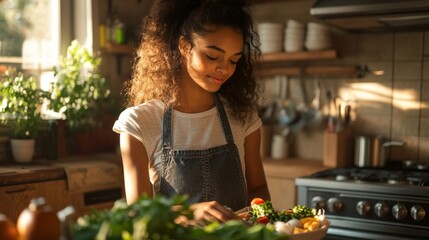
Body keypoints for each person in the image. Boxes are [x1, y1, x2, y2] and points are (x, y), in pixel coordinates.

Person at [113, 0, 270, 224]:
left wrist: (259, 221)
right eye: (213, 56)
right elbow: (138, 213)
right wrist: (188, 213)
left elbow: (258, 187)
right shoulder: (140, 122)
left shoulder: (243, 117)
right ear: (185, 46)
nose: (224, 69)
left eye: (233, 60)